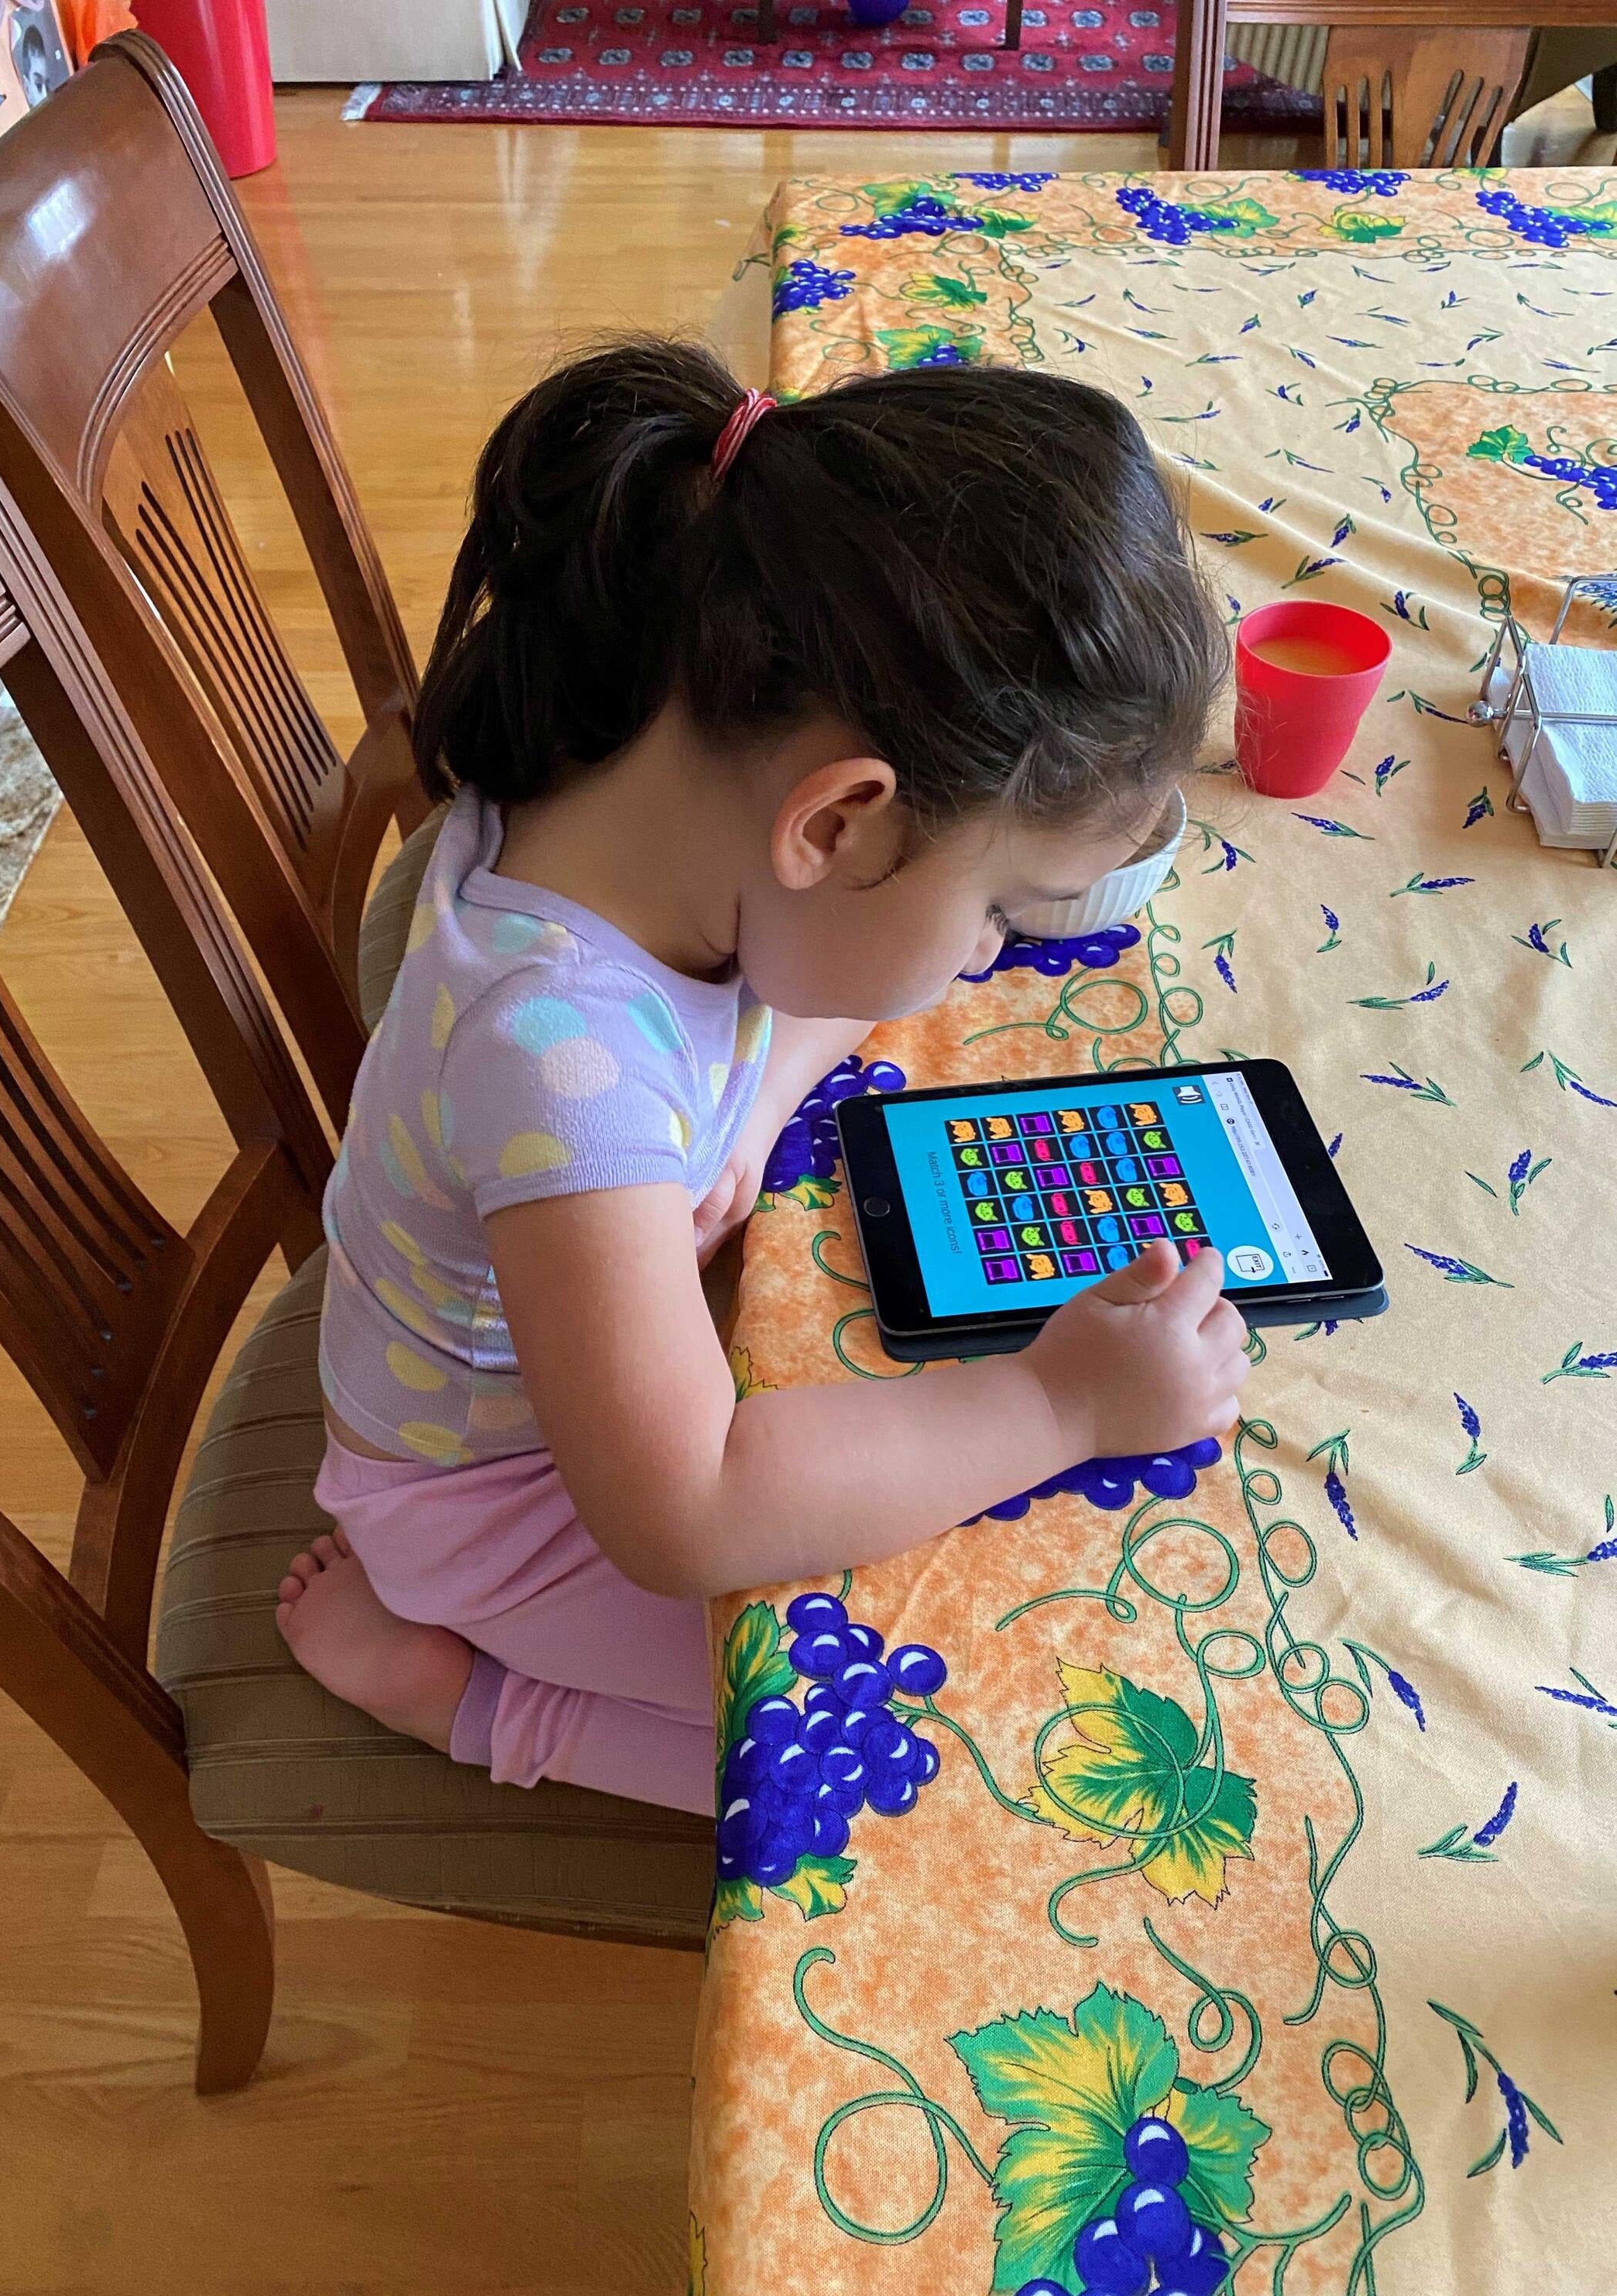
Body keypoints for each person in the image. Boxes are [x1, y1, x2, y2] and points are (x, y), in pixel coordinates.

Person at [276, 339, 1246, 1817]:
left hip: (584, 1381)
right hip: (497, 1514)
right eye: (995, 905)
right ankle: (472, 1703)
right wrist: (1062, 1406)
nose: (986, 951)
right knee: (938, 1735)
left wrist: (752, 1091)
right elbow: (691, 1506)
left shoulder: (634, 759)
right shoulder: (559, 1075)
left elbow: (791, 976)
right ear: (841, 823)